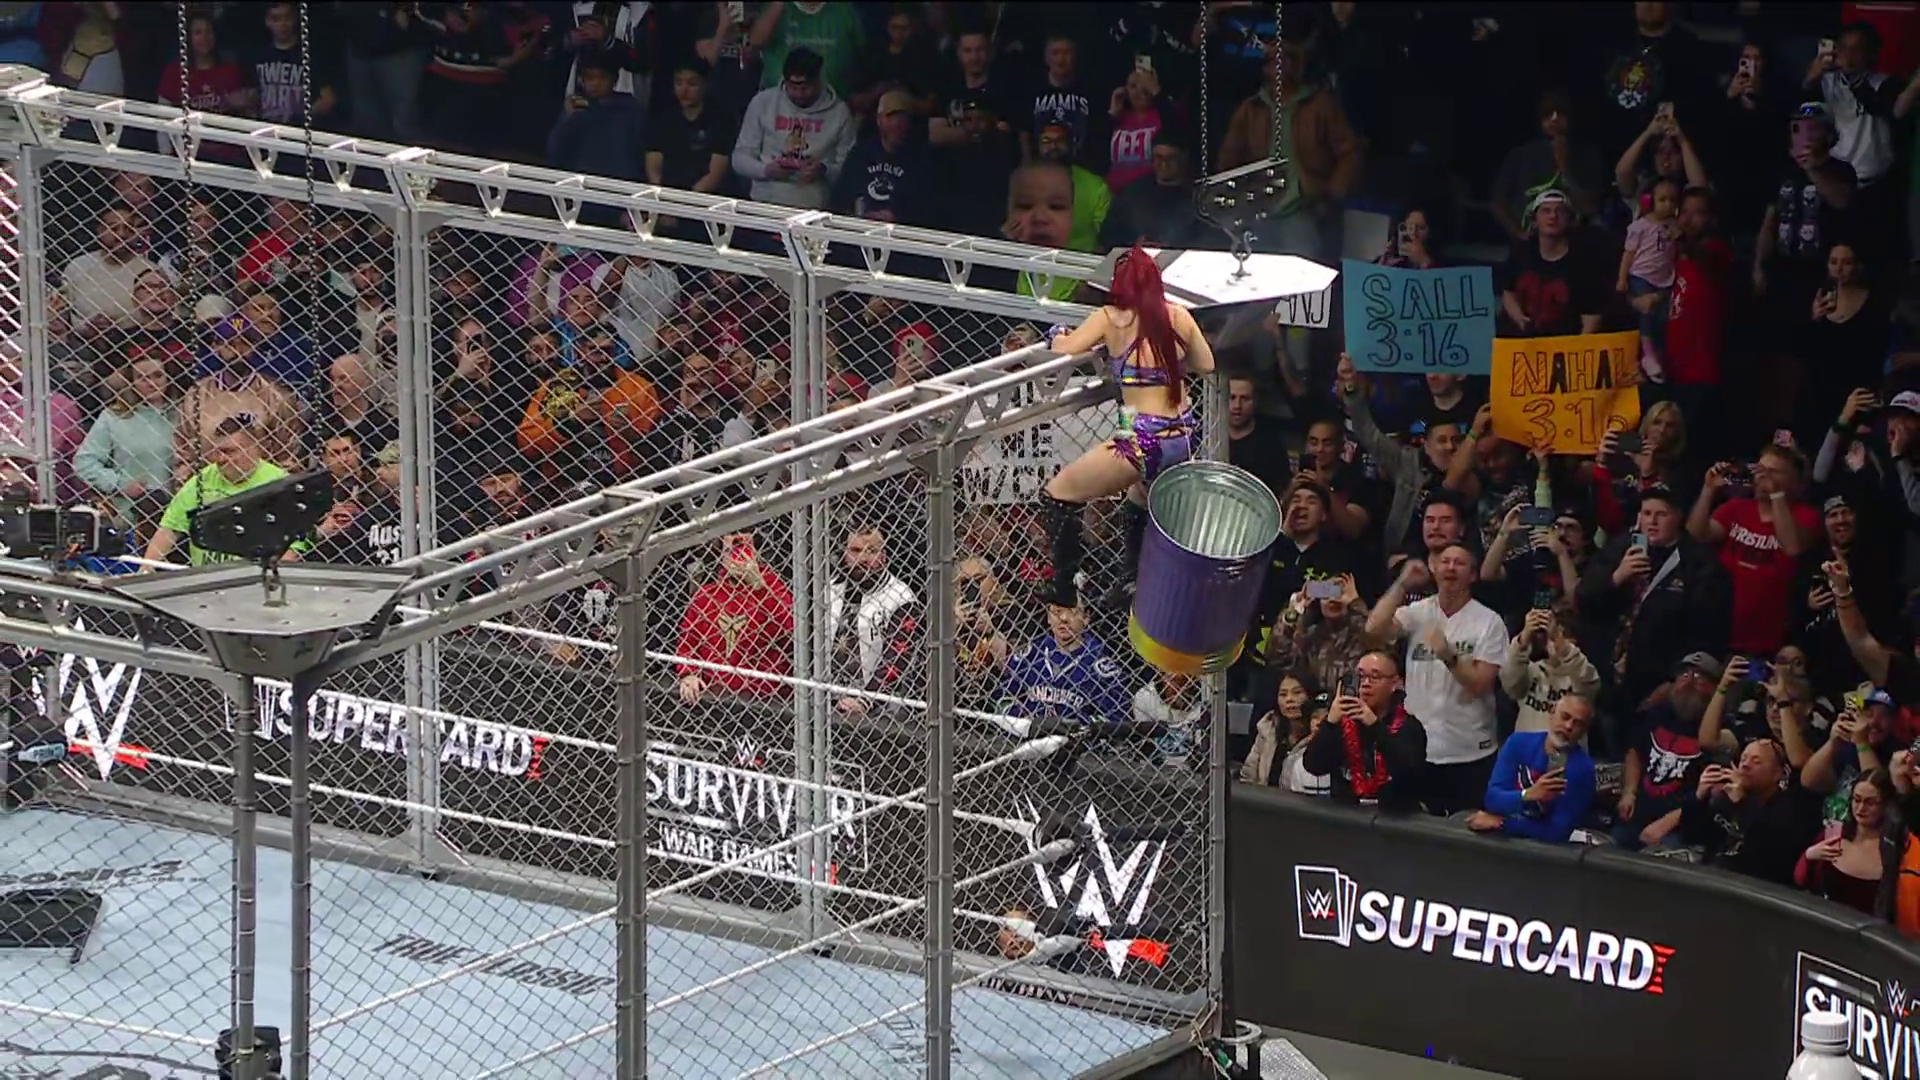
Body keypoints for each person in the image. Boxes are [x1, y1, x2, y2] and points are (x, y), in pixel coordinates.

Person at [1038, 247, 1216, 609]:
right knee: (1138, 497)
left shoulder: (1111, 318)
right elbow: (1207, 364)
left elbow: (1066, 349)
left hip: (1143, 437)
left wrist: (1055, 333)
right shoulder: (1179, 316)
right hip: (1182, 432)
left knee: (1058, 493)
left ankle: (1065, 584)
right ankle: (1131, 580)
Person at [1365, 544, 1509, 816]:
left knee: (1463, 830)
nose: (1450, 568)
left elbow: (1481, 684)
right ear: (1434, 569)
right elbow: (1373, 630)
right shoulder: (1418, 612)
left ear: (1473, 575)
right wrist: (1402, 584)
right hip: (1417, 749)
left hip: (1469, 752)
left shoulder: (1489, 622)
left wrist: (1448, 655)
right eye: (1445, 562)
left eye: (1459, 563)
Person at [144, 417, 307, 567]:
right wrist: (146, 569)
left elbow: (293, 547)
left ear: (253, 448)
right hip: (206, 577)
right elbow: (169, 530)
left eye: (229, 451)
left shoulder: (279, 483)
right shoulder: (202, 480)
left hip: (254, 578)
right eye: (217, 451)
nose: (221, 459)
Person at [1300, 650, 1426, 812]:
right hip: (1345, 817)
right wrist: (1330, 722)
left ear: (1394, 684)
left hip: (1395, 818)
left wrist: (1375, 726)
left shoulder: (1409, 726)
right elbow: (1314, 766)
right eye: (1360, 676)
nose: (1365, 683)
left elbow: (1410, 774)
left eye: (1375, 677)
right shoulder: (1340, 723)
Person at [1470, 694, 1598, 844]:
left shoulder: (1583, 770)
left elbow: (1557, 832)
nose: (1568, 726)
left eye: (1578, 724)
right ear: (1552, 712)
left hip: (1543, 850)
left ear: (1584, 731)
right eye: (1565, 717)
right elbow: (1492, 799)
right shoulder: (1518, 743)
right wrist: (1527, 795)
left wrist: (1502, 823)